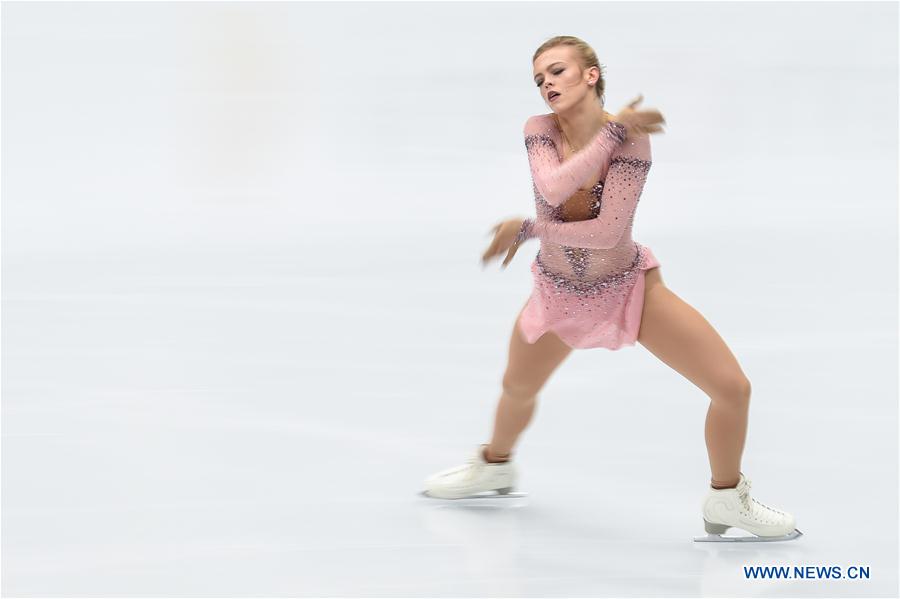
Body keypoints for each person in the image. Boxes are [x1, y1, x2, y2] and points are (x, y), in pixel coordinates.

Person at [421, 35, 801, 543]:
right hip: (557, 291)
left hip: (628, 289)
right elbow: (553, 188)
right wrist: (611, 130)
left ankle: (727, 498)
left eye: (556, 71)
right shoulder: (540, 131)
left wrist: (532, 228)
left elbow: (606, 233)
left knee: (732, 388)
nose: (546, 85)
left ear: (591, 74)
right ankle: (495, 465)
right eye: (539, 79)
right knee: (517, 386)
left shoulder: (632, 142)